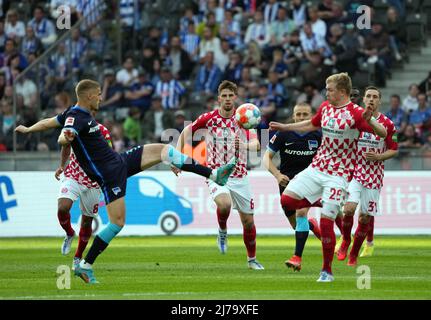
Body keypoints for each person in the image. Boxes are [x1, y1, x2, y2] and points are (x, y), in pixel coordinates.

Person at [15, 79, 237, 284]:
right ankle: (85, 265)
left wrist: (29, 128)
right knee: (117, 223)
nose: (101, 98)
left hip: (119, 161)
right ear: (89, 96)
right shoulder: (76, 117)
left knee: (164, 151)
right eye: (99, 94)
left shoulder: (74, 113)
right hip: (109, 175)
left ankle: (214, 175)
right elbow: (66, 133)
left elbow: (49, 122)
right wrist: (66, 136)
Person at [269, 72, 387, 282]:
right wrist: (285, 127)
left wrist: (372, 121)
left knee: (326, 222)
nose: (326, 92)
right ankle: (320, 201)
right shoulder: (325, 107)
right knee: (287, 200)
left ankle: (326, 271)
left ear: (342, 91)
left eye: (329, 89)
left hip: (338, 174)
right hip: (317, 168)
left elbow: (383, 134)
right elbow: (311, 124)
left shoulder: (356, 113)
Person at [175, 80, 264, 270]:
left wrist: (245, 146)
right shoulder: (209, 118)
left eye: (231, 95)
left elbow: (257, 145)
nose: (227, 99)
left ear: (236, 97)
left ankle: (252, 260)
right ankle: (222, 230)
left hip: (240, 176)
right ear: (218, 98)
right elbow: (185, 132)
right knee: (224, 205)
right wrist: (176, 156)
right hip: (217, 174)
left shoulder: (243, 118)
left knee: (248, 222)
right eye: (224, 96)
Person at [337, 87, 398, 265]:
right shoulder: (355, 121)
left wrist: (379, 157)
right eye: (369, 96)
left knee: (364, 217)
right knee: (348, 209)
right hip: (354, 172)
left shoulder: (388, 124)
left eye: (375, 97)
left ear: (379, 101)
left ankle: (354, 254)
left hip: (374, 176)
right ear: (363, 99)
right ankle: (345, 240)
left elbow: (394, 150)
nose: (371, 99)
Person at [263, 102, 322, 272]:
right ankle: (312, 225)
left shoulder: (318, 135)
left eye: (305, 114)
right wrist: (277, 175)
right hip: (287, 183)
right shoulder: (283, 134)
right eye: (299, 114)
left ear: (311, 116)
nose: (301, 117)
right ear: (294, 116)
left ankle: (297, 258)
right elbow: (266, 158)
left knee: (301, 212)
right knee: (297, 225)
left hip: (309, 182)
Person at [54, 118, 113, 271]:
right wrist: (62, 165)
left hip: (93, 182)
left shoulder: (102, 131)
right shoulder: (74, 128)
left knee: (87, 222)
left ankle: (77, 257)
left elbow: (110, 155)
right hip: (73, 175)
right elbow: (65, 144)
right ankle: (69, 233)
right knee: (63, 208)